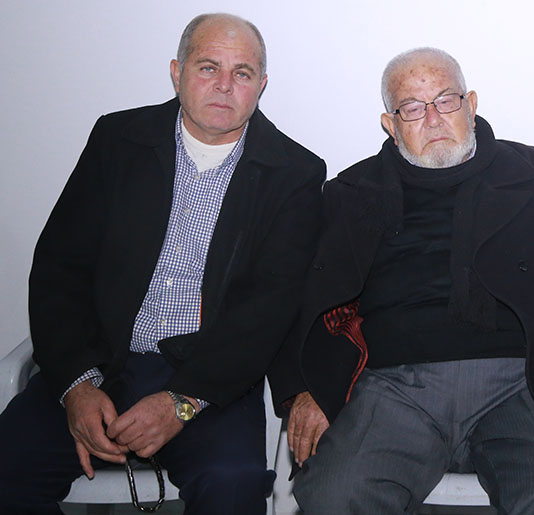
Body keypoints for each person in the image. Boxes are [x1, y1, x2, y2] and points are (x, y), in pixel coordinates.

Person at [268, 47, 534, 514]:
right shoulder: (349, 194)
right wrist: (305, 388)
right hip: (391, 387)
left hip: (523, 380)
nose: (433, 119)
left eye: (445, 100)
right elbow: (299, 296)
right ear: (390, 124)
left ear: (471, 105)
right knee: (334, 495)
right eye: (412, 108)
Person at [0, 13, 325, 514]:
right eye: (208, 67)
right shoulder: (118, 140)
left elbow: (267, 311)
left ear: (261, 85)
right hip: (100, 363)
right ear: (177, 72)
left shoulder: (294, 173)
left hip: (209, 378)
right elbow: (59, 270)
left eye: (241, 73)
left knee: (233, 486)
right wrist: (76, 387)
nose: (224, 85)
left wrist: (183, 401)